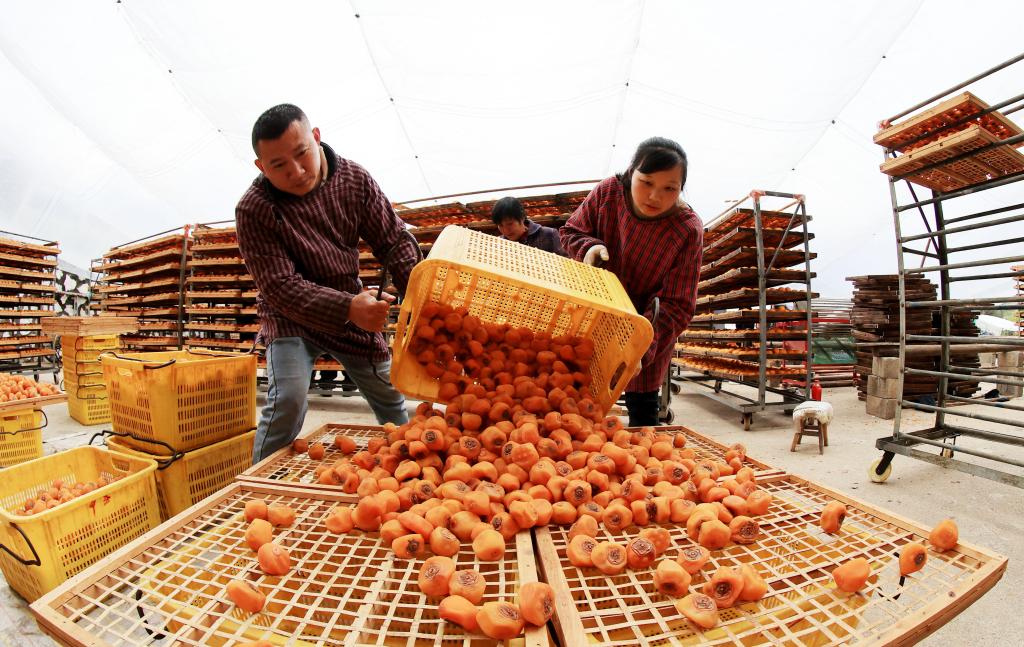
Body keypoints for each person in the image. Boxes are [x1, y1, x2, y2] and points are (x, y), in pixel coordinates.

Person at [236, 104, 420, 462]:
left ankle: (410, 462)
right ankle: (258, 482)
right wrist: (348, 307)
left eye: (302, 153)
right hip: (289, 315)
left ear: (316, 137)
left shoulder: (354, 180)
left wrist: (420, 296)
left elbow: (393, 241)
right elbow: (280, 286)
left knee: (389, 395)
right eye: (279, 165)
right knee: (288, 400)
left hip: (348, 304)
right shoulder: (254, 208)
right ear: (261, 167)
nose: (296, 171)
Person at [560, 137, 703, 426]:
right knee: (575, 399)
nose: (655, 196)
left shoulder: (687, 229)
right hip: (597, 316)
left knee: (643, 411)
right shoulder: (608, 193)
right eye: (646, 182)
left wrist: (638, 347)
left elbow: (678, 305)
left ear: (680, 189)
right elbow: (570, 231)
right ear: (631, 172)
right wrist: (588, 248)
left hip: (648, 327)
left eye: (669, 188)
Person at [491, 196, 566, 255]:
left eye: (510, 224)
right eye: (500, 225)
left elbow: (565, 262)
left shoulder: (549, 234)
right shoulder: (499, 244)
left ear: (522, 218)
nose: (506, 230)